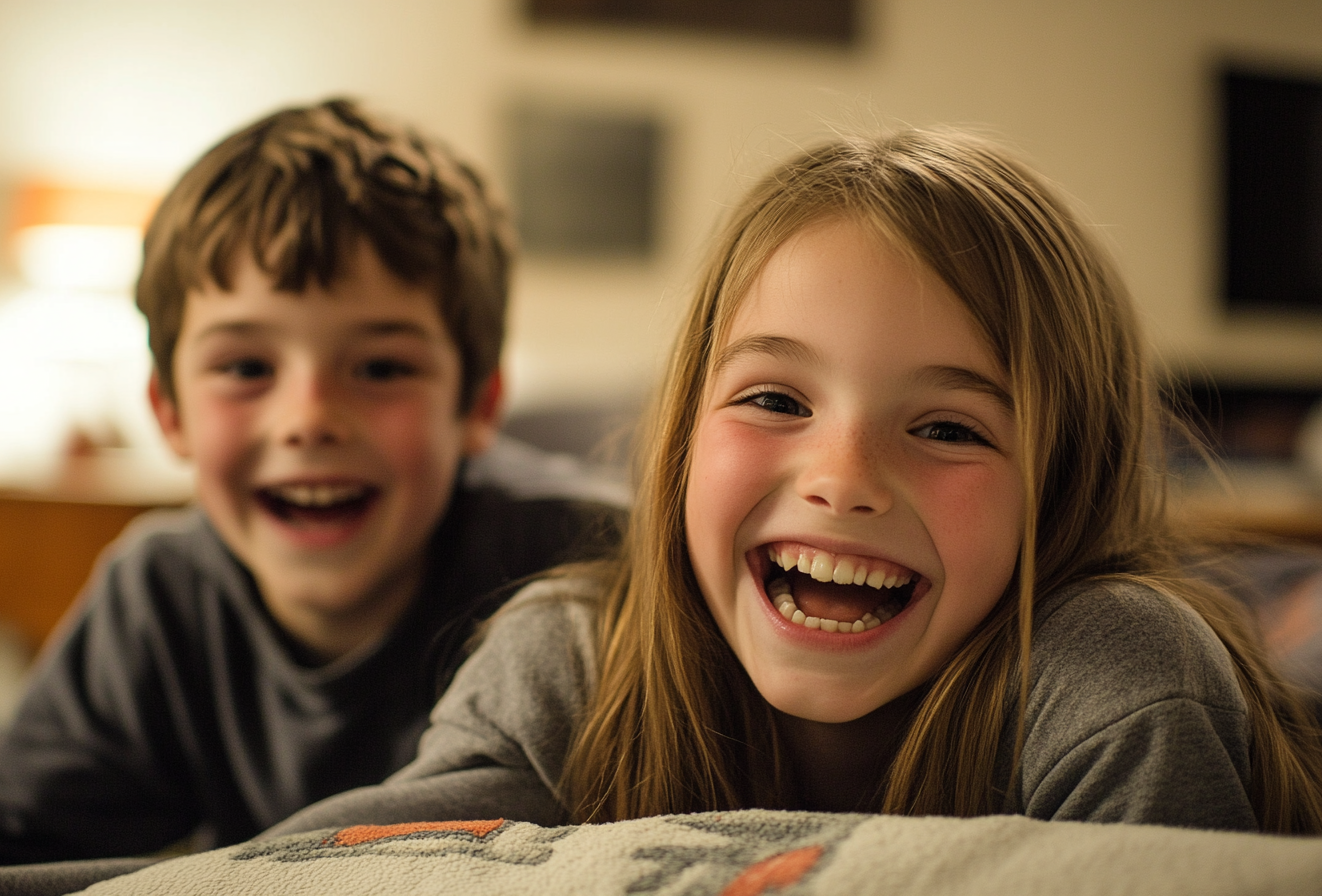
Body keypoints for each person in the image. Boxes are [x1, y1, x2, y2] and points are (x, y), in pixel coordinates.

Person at [266, 128, 1322, 840]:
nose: (844, 479)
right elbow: (348, 865)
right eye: (775, 400)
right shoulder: (567, 656)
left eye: (948, 425)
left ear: (1067, 488)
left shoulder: (1117, 668)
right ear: (679, 437)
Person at [0, 99, 624, 865]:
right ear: (169, 409)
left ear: (477, 405)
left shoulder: (589, 563)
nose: (309, 419)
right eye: (247, 368)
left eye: (381, 368)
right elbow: (17, 840)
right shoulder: (158, 595)